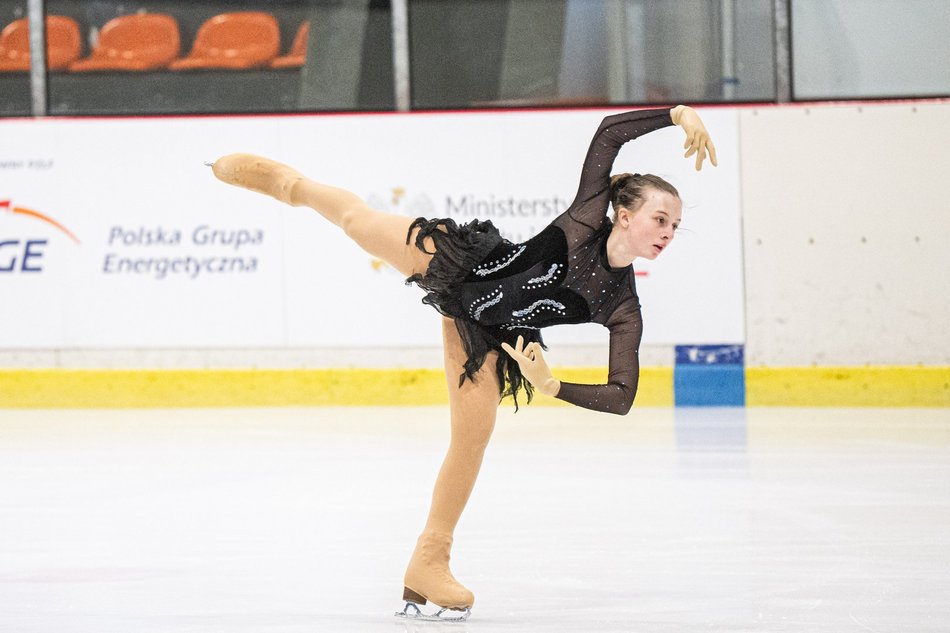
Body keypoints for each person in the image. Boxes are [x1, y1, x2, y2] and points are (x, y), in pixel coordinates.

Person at [210, 104, 716, 621]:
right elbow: (610, 133)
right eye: (660, 218)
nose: (668, 232)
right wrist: (677, 114)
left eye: (675, 225)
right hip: (459, 263)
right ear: (625, 216)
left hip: (488, 331)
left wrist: (553, 385)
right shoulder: (587, 218)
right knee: (356, 219)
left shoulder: (622, 306)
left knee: (472, 438)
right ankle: (290, 185)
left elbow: (622, 396)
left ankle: (428, 563)